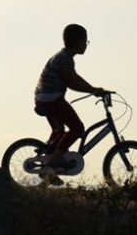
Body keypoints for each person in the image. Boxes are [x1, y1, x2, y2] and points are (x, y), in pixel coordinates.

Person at [34, 24, 105, 169]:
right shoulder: (66, 59)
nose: (86, 45)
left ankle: (48, 168)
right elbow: (71, 83)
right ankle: (56, 159)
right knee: (77, 128)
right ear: (79, 42)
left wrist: (93, 89)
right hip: (51, 99)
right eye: (85, 41)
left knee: (59, 132)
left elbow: (75, 77)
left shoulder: (63, 56)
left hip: (44, 97)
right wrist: (92, 90)